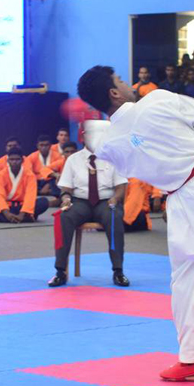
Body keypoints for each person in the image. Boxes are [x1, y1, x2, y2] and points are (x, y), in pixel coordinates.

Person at [73, 65, 194, 382]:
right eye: (120, 80)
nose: (127, 83)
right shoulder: (158, 99)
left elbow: (114, 151)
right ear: (114, 92)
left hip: (183, 198)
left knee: (183, 280)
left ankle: (193, 360)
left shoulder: (108, 144)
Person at [47, 121, 129, 288]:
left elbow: (121, 186)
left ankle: (118, 271)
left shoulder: (114, 158)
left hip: (106, 201)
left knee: (114, 217)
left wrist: (116, 198)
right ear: (83, 137)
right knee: (64, 217)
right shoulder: (73, 160)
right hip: (80, 201)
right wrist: (66, 199)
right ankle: (60, 271)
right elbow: (66, 188)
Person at [0, 147, 49, 223]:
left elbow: (30, 196)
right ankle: (25, 218)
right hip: (7, 206)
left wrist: (22, 214)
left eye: (17, 159)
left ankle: (4, 218)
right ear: (8, 161)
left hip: (22, 205)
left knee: (44, 202)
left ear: (22, 160)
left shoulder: (30, 175)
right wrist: (7, 213)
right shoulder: (0, 175)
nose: (14, 162)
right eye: (12, 159)